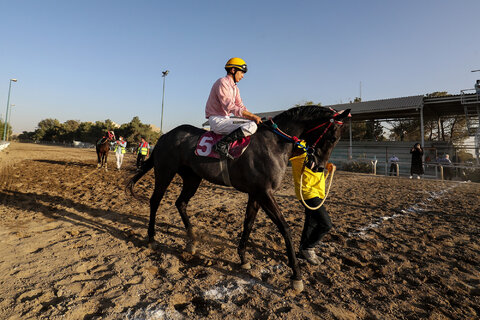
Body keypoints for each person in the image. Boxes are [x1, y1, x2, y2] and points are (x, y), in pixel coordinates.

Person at [205, 57, 262, 159]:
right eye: (242, 72)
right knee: (252, 126)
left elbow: (240, 106)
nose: (243, 76)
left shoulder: (235, 88)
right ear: (233, 70)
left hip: (226, 119)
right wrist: (252, 117)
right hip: (217, 120)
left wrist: (255, 117)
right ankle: (221, 145)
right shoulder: (222, 82)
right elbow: (230, 106)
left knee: (253, 123)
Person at [290, 142, 333, 265]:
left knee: (311, 222)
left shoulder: (316, 148)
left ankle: (302, 251)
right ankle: (308, 248)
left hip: (318, 192)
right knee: (326, 224)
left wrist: (328, 166)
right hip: (307, 192)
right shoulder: (300, 146)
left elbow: (317, 166)